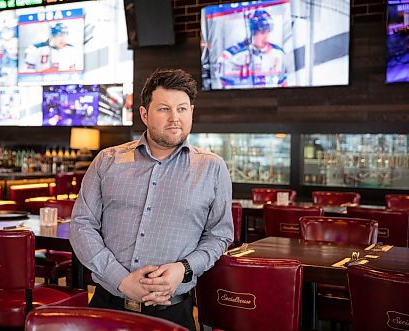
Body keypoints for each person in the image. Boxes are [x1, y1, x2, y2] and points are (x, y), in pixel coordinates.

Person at [70, 68, 234, 329]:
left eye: (182, 109)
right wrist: (121, 280)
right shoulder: (107, 161)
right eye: (164, 109)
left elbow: (219, 236)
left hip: (173, 312)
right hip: (106, 306)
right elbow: (81, 225)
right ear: (144, 114)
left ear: (191, 111)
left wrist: (184, 269)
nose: (175, 118)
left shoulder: (212, 168)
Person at [216, 9, 287, 88]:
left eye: (268, 31)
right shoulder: (230, 56)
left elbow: (283, 84)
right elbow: (223, 87)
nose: (266, 37)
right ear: (251, 31)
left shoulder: (278, 53)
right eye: (262, 32)